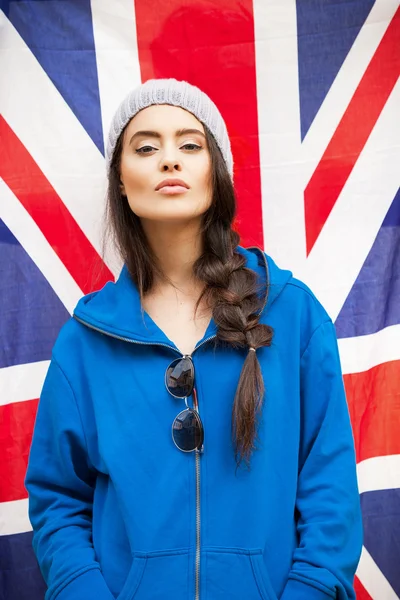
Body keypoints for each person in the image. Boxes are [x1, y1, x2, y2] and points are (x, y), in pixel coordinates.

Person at [25, 78, 363, 600]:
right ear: (120, 180)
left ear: (216, 172)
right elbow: (58, 501)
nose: (169, 160)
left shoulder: (294, 315)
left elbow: (329, 487)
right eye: (145, 147)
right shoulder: (83, 343)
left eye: (189, 144)